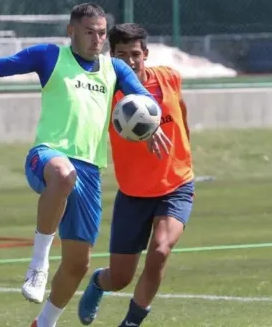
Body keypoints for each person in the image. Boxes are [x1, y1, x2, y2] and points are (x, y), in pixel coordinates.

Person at [0, 4, 171, 327]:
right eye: (89, 32)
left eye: (101, 32)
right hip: (47, 155)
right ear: (71, 31)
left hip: (90, 172)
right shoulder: (50, 56)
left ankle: (44, 322)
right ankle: (38, 264)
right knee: (62, 174)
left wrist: (150, 125)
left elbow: (144, 100)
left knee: (77, 264)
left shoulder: (114, 69)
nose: (97, 39)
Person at [78, 23, 195, 326]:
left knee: (160, 249)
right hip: (133, 194)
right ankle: (98, 283)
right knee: (119, 278)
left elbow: (180, 110)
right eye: (121, 55)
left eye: (135, 54)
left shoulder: (169, 78)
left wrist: (184, 150)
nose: (130, 62)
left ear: (146, 53)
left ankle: (131, 322)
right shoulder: (105, 94)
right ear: (111, 56)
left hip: (176, 186)